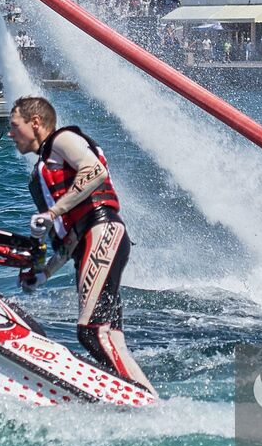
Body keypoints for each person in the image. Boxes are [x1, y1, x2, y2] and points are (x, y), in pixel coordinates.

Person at [8, 96, 153, 393]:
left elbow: (94, 170)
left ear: (35, 122)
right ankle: (142, 396)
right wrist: (45, 272)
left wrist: (52, 212)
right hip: (89, 239)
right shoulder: (41, 172)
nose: (11, 134)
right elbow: (71, 236)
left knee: (92, 331)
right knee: (109, 335)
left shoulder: (63, 140)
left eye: (14, 126)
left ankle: (139, 401)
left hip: (103, 232)